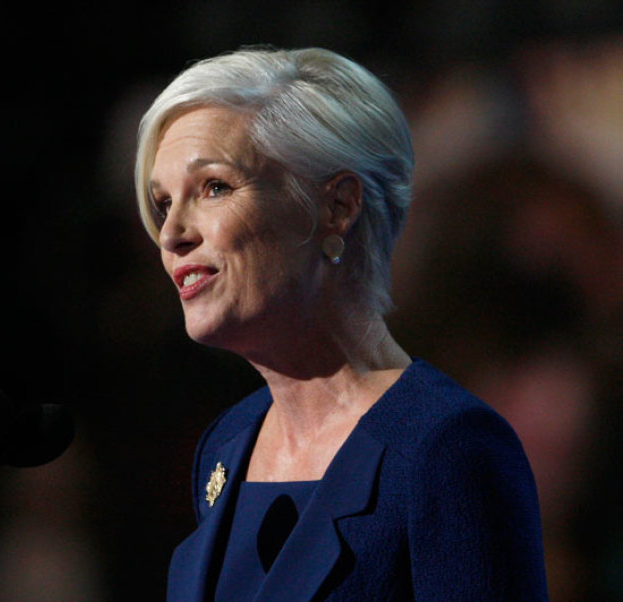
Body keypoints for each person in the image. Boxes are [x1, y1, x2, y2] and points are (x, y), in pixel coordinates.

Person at [134, 46, 548, 601]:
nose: (171, 235)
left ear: (338, 206)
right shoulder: (226, 446)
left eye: (214, 187)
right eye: (164, 203)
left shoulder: (445, 449)